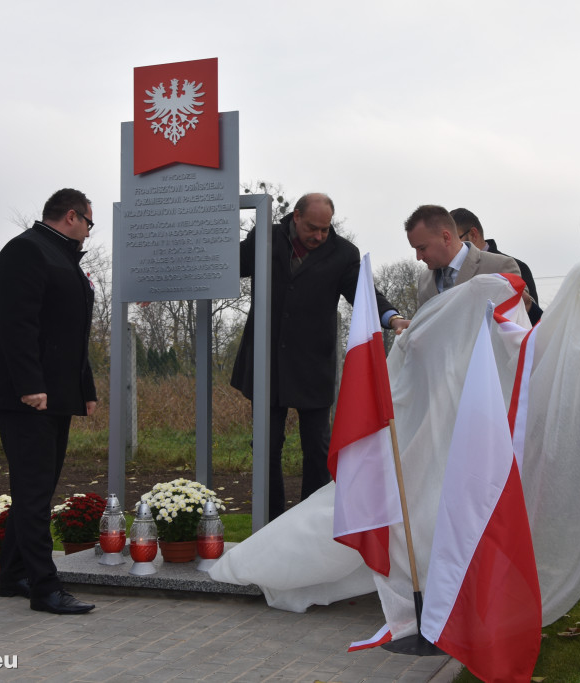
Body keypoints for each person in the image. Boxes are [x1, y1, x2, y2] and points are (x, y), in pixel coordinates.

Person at [230, 193, 408, 521]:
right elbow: (227, 265)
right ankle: (271, 525)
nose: (319, 236)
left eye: (325, 230)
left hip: (313, 368)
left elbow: (364, 292)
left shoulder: (343, 254)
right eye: (312, 228)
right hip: (265, 365)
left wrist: (392, 318)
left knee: (317, 450)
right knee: (266, 450)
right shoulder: (264, 238)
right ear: (295, 216)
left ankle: (310, 525)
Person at [0, 188, 98, 615]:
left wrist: (85, 388)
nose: (89, 232)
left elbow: (73, 334)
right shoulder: (26, 252)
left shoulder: (62, 256)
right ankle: (45, 589)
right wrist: (29, 385)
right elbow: (17, 325)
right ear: (71, 216)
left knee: (37, 490)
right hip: (26, 397)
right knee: (33, 492)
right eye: (89, 223)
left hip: (56, 395)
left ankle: (14, 575)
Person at [404, 204, 524, 309]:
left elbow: (521, 321)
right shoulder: (424, 281)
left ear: (446, 237)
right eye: (415, 249)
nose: (418, 257)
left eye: (422, 248)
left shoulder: (499, 266)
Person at [449, 207, 539, 305]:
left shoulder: (515, 267)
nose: (450, 246)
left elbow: (532, 315)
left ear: (473, 234)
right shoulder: (445, 273)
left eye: (455, 240)